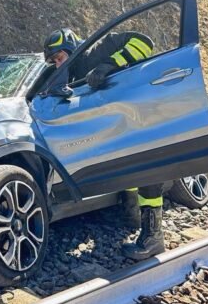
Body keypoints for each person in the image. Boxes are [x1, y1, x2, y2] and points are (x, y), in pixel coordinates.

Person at [42, 28, 164, 260]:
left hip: (139, 114)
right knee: (127, 170)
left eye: (60, 58)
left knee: (147, 172)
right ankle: (132, 216)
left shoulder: (101, 47)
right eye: (54, 62)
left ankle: (154, 237)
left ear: (72, 49)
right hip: (117, 127)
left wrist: (109, 64)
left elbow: (145, 40)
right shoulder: (70, 76)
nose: (58, 65)